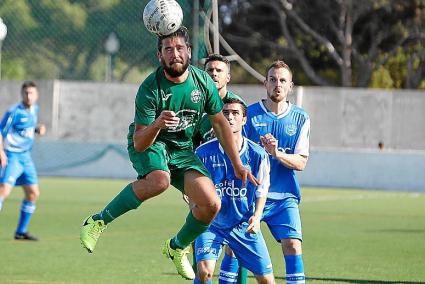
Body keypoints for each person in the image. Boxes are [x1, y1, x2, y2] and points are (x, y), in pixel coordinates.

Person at [79, 27, 258, 281]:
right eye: (168, 49)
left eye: (179, 48)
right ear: (159, 55)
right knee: (160, 180)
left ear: (189, 51)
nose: (175, 54)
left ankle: (176, 247)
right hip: (152, 142)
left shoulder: (202, 82)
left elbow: (219, 124)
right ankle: (97, 221)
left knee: (211, 204)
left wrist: (238, 164)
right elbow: (140, 142)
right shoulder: (150, 88)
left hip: (182, 149)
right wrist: (157, 124)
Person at [219, 60, 310, 284]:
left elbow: (301, 162)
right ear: (265, 83)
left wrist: (276, 153)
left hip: (284, 198)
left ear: (290, 86)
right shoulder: (248, 115)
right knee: (232, 247)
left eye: (282, 80)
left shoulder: (300, 118)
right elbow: (236, 154)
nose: (277, 84)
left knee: (293, 244)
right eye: (272, 80)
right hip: (250, 196)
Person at [194, 97, 275, 284]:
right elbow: (193, 188)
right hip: (211, 224)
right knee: (204, 272)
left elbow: (262, 188)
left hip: (243, 223)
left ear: (244, 120)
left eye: (235, 113)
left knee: (267, 280)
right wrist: (195, 209)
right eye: (225, 113)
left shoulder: (258, 154)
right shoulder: (203, 153)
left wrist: (257, 216)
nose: (230, 117)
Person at [0, 81, 46, 241]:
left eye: (31, 93)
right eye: (26, 93)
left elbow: (25, 128)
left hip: (26, 158)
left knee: (33, 193)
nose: (28, 96)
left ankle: (21, 231)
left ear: (36, 95)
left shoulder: (35, 109)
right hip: (11, 156)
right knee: (3, 191)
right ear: (21, 94)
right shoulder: (14, 111)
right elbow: (1, 131)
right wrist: (1, 153)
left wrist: (37, 129)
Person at [192, 53, 246, 147]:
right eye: (210, 70)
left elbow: (245, 140)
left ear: (228, 77)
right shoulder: (195, 105)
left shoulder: (237, 105)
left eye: (219, 70)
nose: (214, 74)